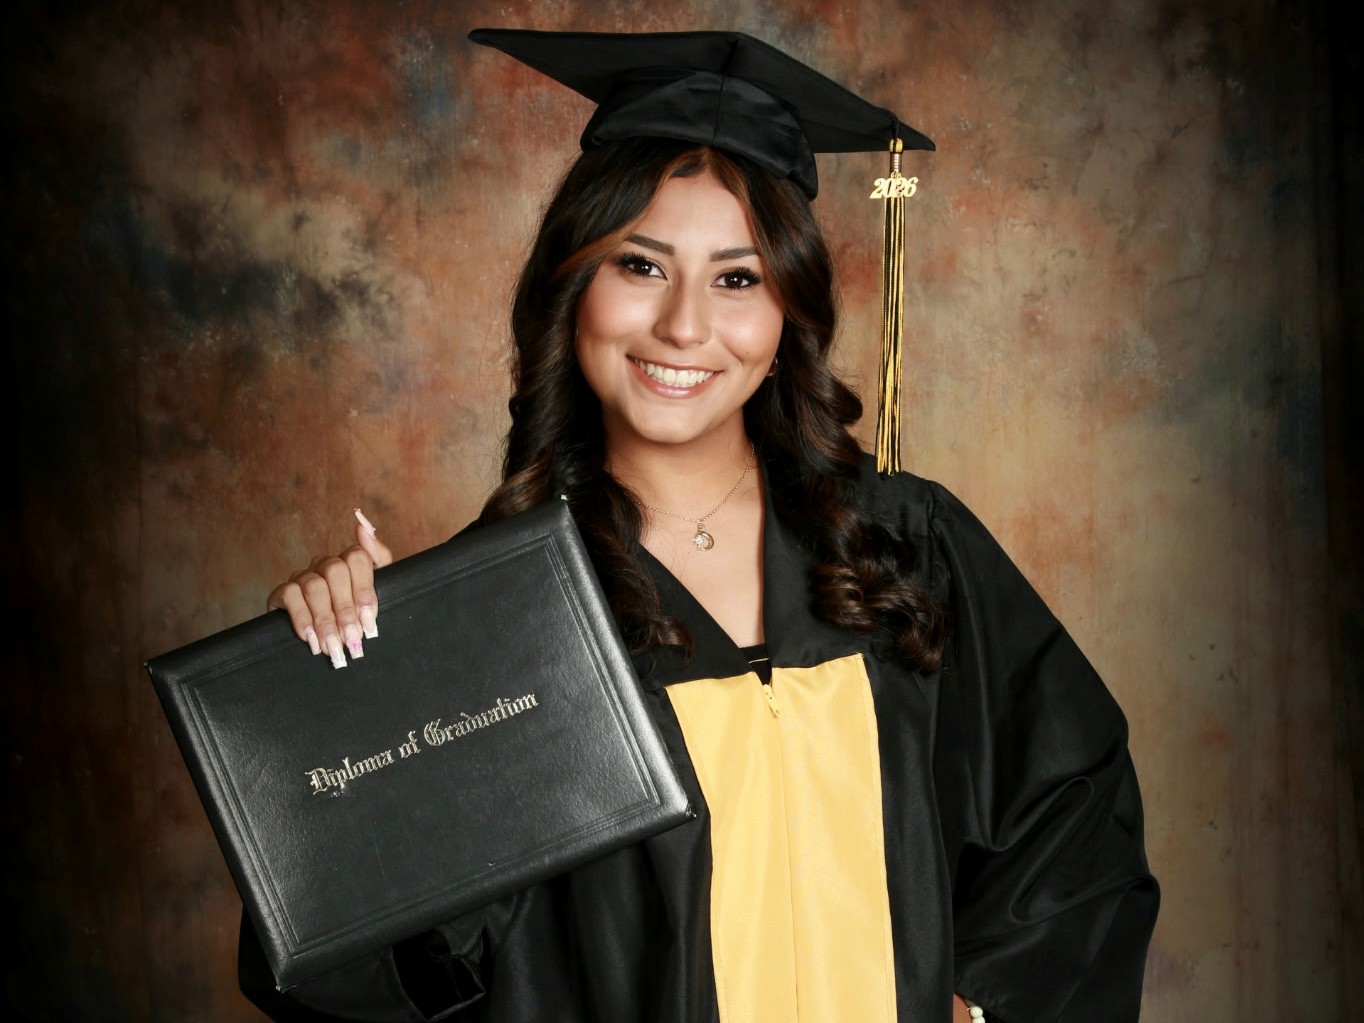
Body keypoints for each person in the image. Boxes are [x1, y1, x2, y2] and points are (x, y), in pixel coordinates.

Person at [239, 28, 1159, 1023]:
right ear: (570, 288)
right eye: (638, 266)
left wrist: (980, 1001)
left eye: (736, 278)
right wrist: (353, 689)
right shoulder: (499, 611)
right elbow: (354, 969)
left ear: (787, 313)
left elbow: (1070, 815)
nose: (683, 327)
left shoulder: (902, 546)